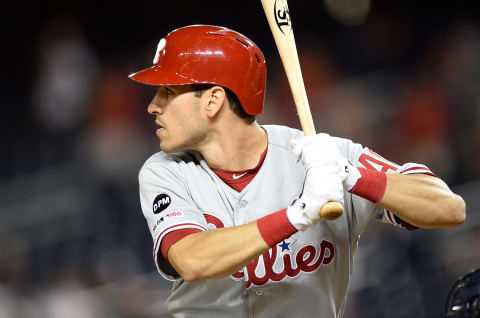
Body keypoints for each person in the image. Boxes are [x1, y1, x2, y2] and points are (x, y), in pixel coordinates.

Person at [129, 25, 466, 318]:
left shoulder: (324, 158)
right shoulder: (165, 171)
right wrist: (299, 214)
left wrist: (354, 176)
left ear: (213, 101)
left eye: (168, 92)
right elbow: (191, 260)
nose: (153, 105)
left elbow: (449, 209)